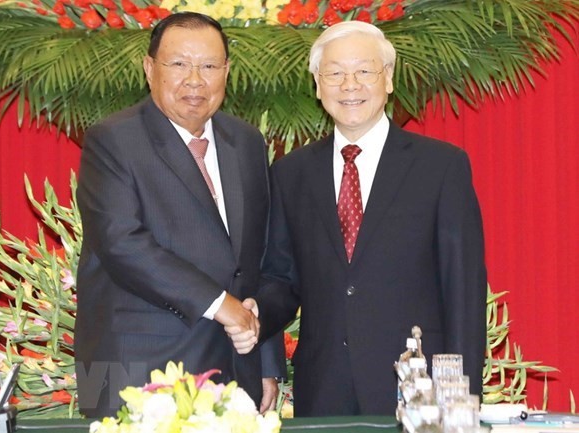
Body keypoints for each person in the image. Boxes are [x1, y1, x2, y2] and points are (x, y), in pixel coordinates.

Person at [235, 21, 487, 416]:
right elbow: (282, 279)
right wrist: (255, 314)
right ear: (318, 86)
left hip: (418, 387)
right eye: (334, 73)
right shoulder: (291, 173)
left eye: (364, 71)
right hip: (324, 386)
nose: (349, 84)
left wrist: (460, 397)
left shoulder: (441, 167)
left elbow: (463, 289)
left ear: (387, 79)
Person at [74, 12, 284, 417]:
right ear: (150, 69)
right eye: (179, 64)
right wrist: (221, 303)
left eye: (208, 66)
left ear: (226, 72)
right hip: (137, 367)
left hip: (236, 367)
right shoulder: (113, 139)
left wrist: (266, 360)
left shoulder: (246, 142)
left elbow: (258, 262)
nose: (194, 80)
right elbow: (122, 243)